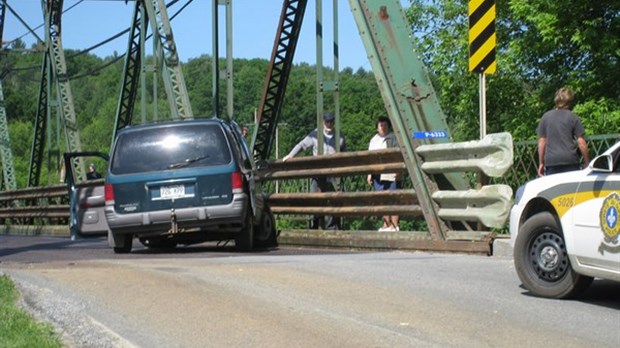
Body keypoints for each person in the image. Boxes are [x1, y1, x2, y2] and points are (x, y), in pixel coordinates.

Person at [283, 112, 346, 230]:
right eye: (327, 122)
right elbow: (302, 145)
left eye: (331, 122)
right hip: (317, 172)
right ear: (323, 122)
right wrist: (290, 155)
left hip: (332, 174)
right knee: (315, 198)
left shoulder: (340, 136)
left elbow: (344, 153)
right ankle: (316, 224)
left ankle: (332, 227)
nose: (329, 124)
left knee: (333, 199)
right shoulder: (315, 134)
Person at [537, 87, 590, 176]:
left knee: (554, 188)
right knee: (571, 189)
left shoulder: (546, 117)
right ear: (570, 101)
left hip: (552, 161)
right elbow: (581, 142)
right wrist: (587, 162)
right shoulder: (573, 117)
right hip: (570, 160)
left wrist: (541, 163)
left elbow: (542, 142)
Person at [367, 116, 400, 231]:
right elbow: (369, 158)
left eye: (385, 125)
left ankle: (395, 225)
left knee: (393, 198)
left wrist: (398, 170)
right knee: (381, 198)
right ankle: (386, 224)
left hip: (391, 172)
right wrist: (369, 173)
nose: (383, 127)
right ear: (377, 127)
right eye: (381, 125)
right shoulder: (373, 140)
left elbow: (397, 156)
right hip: (377, 173)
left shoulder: (394, 138)